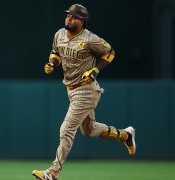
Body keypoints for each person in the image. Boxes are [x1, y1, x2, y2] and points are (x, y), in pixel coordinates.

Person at [32, 4, 136, 180]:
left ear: (82, 21)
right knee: (89, 130)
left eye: (73, 17)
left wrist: (95, 70)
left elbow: (110, 53)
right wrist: (52, 63)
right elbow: (56, 53)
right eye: (68, 16)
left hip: (86, 89)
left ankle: (53, 172)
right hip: (71, 89)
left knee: (66, 129)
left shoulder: (90, 39)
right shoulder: (59, 34)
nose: (69, 19)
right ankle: (126, 135)